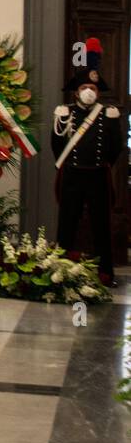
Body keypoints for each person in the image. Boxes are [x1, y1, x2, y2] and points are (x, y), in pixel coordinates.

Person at [52, 38, 125, 287]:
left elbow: (116, 147)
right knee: (67, 223)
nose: (89, 92)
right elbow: (57, 146)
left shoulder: (109, 114)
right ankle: (61, 271)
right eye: (85, 87)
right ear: (76, 90)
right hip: (72, 174)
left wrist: (102, 165)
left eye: (93, 88)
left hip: (98, 176)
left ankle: (105, 273)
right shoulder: (65, 112)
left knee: (101, 225)